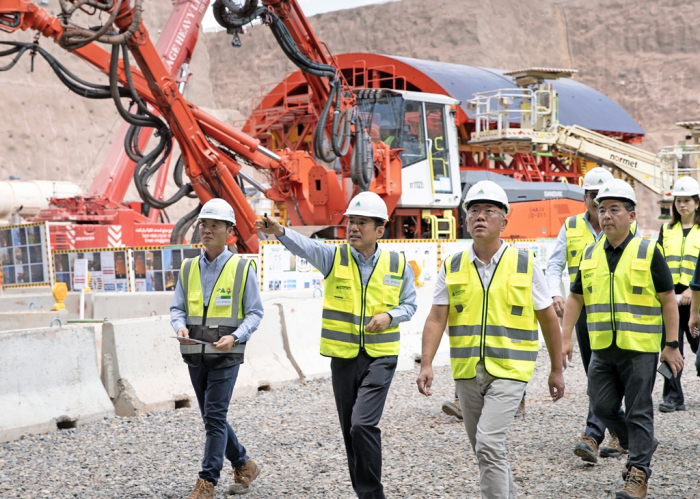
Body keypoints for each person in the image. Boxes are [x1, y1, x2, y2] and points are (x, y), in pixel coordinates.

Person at [254, 191, 417, 499]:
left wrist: (390, 316)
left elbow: (410, 305)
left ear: (380, 229)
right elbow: (307, 247)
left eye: (362, 223)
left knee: (361, 424)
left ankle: (373, 494)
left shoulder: (398, 265)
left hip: (381, 358)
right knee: (350, 432)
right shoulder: (334, 257)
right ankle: (365, 494)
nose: (353, 228)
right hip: (343, 360)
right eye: (350, 222)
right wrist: (279, 231)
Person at [417, 180, 565, 499]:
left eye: (489, 211)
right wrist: (426, 363)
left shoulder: (525, 264)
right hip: (467, 372)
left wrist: (556, 369)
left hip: (511, 370)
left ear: (504, 221)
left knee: (488, 444)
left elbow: (548, 319)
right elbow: (436, 317)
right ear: (465, 220)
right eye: (474, 211)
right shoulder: (453, 265)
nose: (480, 216)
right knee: (484, 450)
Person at [561, 179, 683, 499]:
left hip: (639, 349)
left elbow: (668, 298)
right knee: (601, 406)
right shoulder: (590, 254)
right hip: (602, 346)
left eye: (614, 209)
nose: (606, 216)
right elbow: (575, 298)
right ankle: (639, 441)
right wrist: (564, 338)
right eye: (602, 209)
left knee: (638, 410)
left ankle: (638, 473)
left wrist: (671, 345)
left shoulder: (647, 251)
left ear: (631, 216)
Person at [170, 198, 264, 499]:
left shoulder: (241, 268)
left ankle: (207, 482)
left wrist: (235, 337)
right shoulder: (187, 268)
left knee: (213, 416)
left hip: (226, 355)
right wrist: (179, 327)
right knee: (214, 418)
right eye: (204, 224)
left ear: (229, 231)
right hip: (195, 355)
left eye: (214, 225)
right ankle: (243, 463)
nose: (207, 230)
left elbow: (255, 313)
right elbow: (177, 309)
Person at [546, 167, 627, 463]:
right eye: (593, 196)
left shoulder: (626, 225)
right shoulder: (570, 227)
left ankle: (594, 434)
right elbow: (553, 265)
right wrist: (556, 293)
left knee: (611, 373)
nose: (598, 202)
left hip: (618, 313)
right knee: (597, 373)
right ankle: (616, 430)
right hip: (583, 313)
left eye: (603, 197)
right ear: (584, 197)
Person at [657, 176, 700, 411]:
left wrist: (691, 292)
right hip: (671, 301)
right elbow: (659, 263)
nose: (682, 205)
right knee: (671, 346)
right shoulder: (666, 230)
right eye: (678, 200)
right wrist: (669, 292)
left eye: (687, 200)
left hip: (696, 302)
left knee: (698, 347)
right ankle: (672, 397)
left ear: (697, 202)